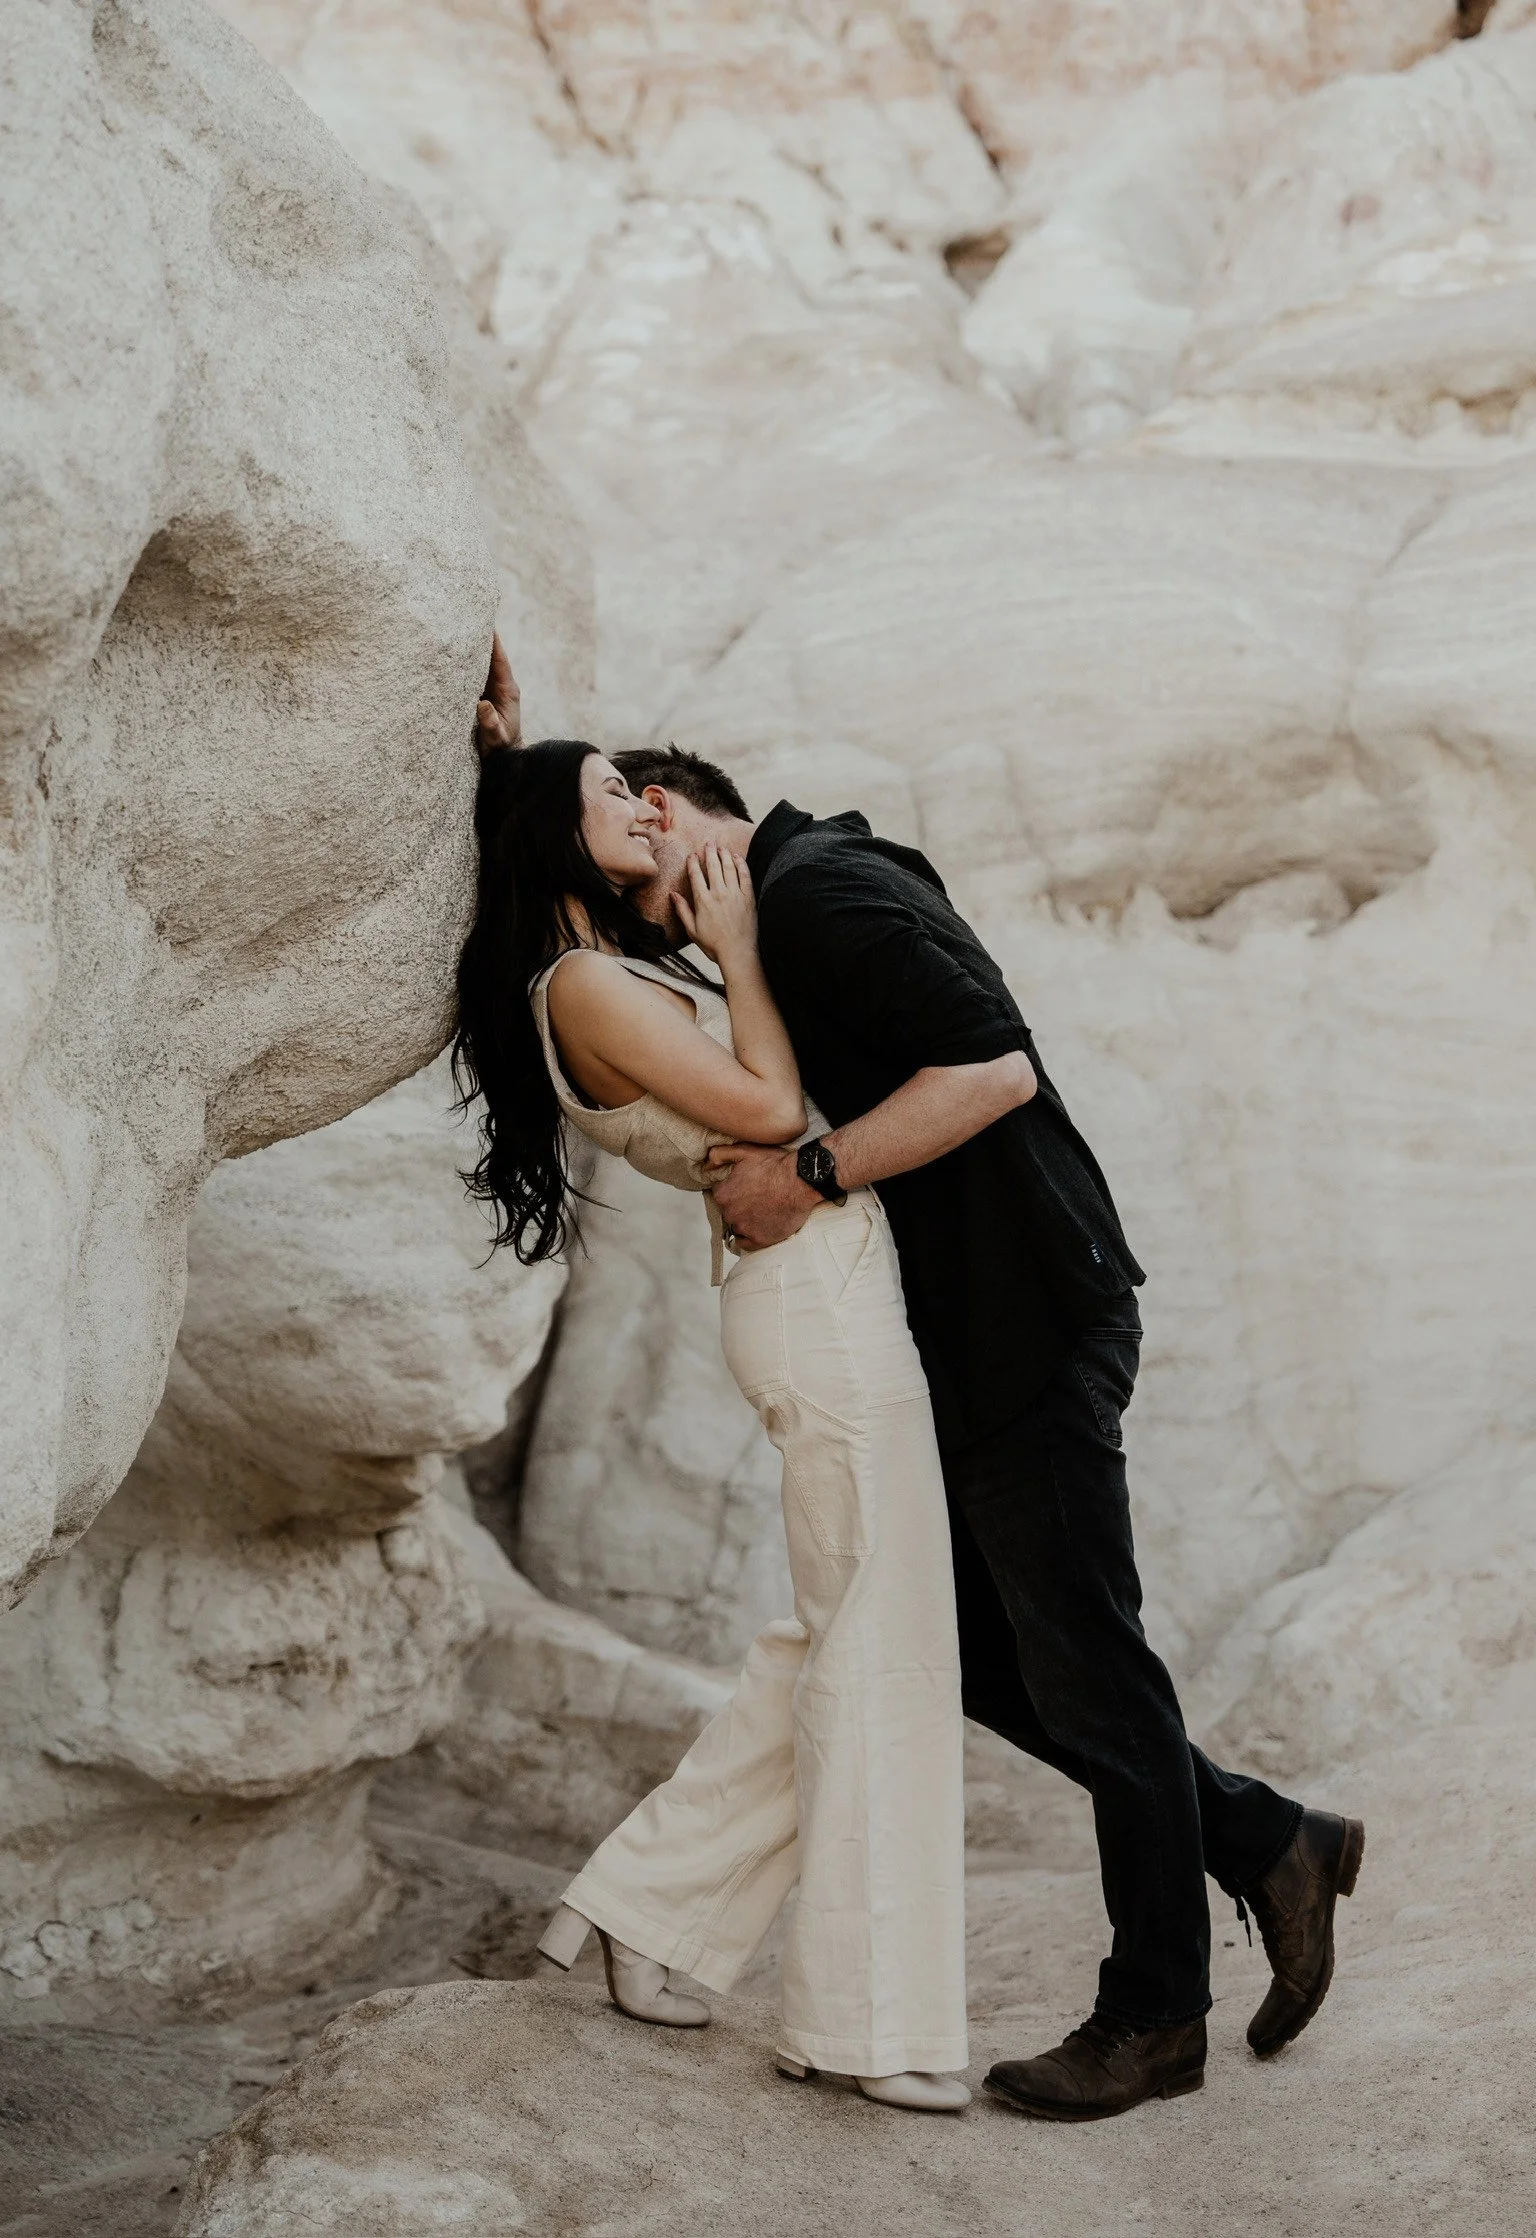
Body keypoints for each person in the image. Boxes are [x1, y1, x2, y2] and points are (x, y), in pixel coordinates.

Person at [538, 721, 1369, 2126]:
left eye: (650, 884)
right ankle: (1266, 1835)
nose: (656, 926)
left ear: (676, 814)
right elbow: (568, 809)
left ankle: (1157, 2010)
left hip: (1029, 1318)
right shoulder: (793, 884)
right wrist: (506, 743)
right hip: (983, 1331)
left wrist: (812, 1168)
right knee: (990, 1659)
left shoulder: (813, 895)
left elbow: (995, 1071)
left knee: (1089, 1663)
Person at [454, 648, 990, 2114]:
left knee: (838, 1633)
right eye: (612, 791)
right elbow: (761, 1104)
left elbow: (565, 816)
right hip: (808, 1297)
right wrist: (745, 945)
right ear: (562, 839)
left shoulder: (608, 964)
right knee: (879, 1653)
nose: (640, 800)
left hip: (825, 1283)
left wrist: (511, 744)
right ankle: (866, 2025)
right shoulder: (582, 984)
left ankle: (648, 1911)